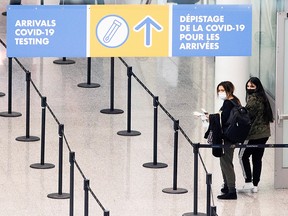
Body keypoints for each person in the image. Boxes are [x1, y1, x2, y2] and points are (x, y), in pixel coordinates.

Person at [238, 77, 274, 193]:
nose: (249, 88)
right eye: (248, 86)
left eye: (252, 86)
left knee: (242, 156)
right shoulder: (264, 98)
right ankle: (255, 184)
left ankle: (248, 181)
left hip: (253, 134)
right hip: (264, 134)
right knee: (257, 159)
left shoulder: (253, 99)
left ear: (257, 87)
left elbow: (246, 116)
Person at [216, 81, 241, 200]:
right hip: (233, 136)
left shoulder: (227, 104)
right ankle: (226, 186)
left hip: (227, 138)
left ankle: (231, 190)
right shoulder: (235, 101)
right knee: (225, 161)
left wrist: (209, 118)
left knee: (226, 163)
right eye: (219, 90)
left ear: (229, 90)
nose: (220, 93)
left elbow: (223, 120)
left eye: (222, 90)